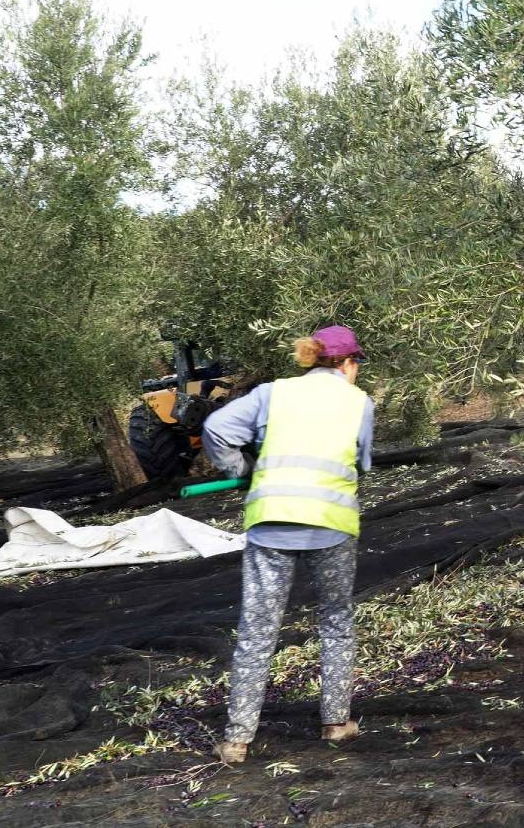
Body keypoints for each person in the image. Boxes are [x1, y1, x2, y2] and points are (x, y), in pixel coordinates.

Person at [200, 324, 376, 764]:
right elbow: (362, 461)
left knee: (258, 631)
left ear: (314, 358)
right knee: (335, 621)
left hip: (271, 523)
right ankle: (336, 723)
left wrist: (242, 470)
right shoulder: (359, 402)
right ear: (349, 363)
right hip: (331, 525)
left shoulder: (271, 394)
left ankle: (238, 740)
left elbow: (216, 429)